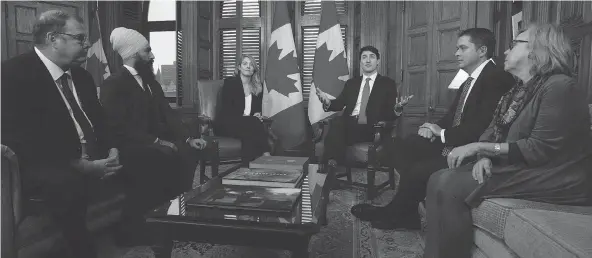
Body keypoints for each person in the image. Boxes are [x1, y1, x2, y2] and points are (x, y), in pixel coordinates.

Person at [424, 23, 592, 258]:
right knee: (437, 178)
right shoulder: (516, 91)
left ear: (537, 50)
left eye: (514, 44)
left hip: (555, 175)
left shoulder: (560, 86)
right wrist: (483, 156)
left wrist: (479, 147)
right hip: (523, 165)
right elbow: (492, 132)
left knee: (450, 184)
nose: (505, 51)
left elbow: (539, 149)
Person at [350, 28, 516, 230]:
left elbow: (481, 126)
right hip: (455, 138)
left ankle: (399, 212)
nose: (456, 53)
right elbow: (453, 114)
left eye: (462, 48)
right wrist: (433, 126)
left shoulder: (495, 77)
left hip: (471, 147)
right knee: (400, 146)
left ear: (482, 51)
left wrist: (442, 133)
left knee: (418, 168)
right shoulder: (470, 77)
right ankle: (405, 211)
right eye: (457, 48)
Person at [1, 10, 123, 258]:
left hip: (92, 154)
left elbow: (102, 122)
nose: (87, 44)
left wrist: (112, 149)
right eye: (80, 38)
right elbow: (19, 139)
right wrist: (80, 166)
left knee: (141, 157)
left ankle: (137, 233)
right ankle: (83, 251)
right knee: (67, 183)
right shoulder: (12, 74)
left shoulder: (83, 76)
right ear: (54, 39)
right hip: (44, 163)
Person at [100, 27, 207, 246]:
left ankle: (175, 215)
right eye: (147, 51)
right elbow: (118, 127)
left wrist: (188, 138)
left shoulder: (151, 82)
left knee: (188, 152)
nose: (152, 55)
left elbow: (168, 116)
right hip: (130, 146)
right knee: (162, 156)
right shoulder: (114, 83)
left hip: (155, 142)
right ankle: (143, 227)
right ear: (132, 54)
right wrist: (157, 142)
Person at [316, 46, 410, 167]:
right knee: (338, 123)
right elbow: (339, 104)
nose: (368, 60)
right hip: (350, 127)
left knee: (337, 126)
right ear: (360, 62)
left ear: (378, 61)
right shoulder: (351, 83)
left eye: (372, 57)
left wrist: (397, 108)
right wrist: (327, 102)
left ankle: (330, 168)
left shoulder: (387, 83)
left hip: (372, 128)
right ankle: (332, 165)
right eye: (364, 57)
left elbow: (389, 113)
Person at [214, 54, 271, 163]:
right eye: (245, 64)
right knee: (253, 123)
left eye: (251, 65)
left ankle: (246, 167)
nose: (248, 66)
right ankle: (266, 154)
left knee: (249, 133)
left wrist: (257, 113)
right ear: (239, 67)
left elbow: (256, 110)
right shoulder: (230, 83)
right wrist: (250, 118)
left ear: (254, 69)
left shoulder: (258, 87)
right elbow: (227, 109)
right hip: (227, 123)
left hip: (248, 125)